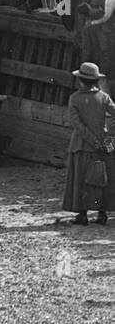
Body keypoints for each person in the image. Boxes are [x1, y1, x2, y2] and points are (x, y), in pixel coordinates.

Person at [62, 62, 115, 225]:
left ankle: (82, 214)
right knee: (103, 179)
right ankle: (102, 214)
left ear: (80, 80)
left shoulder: (75, 98)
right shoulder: (104, 97)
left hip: (82, 146)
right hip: (104, 146)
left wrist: (93, 141)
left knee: (81, 179)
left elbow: (77, 125)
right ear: (96, 80)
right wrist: (110, 135)